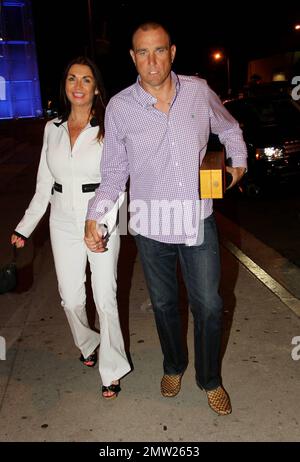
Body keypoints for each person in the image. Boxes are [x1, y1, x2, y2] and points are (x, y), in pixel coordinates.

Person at [84, 22, 247, 415]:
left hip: (197, 219)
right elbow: (114, 173)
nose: (151, 61)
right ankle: (173, 365)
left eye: (159, 51)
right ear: (132, 57)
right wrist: (95, 217)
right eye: (142, 52)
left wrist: (237, 165)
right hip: (151, 226)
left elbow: (229, 128)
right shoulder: (120, 107)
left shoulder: (197, 90)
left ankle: (209, 379)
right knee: (163, 305)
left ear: (172, 52)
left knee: (209, 305)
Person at [11, 56, 131, 400]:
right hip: (62, 219)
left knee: (105, 296)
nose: (78, 86)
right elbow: (43, 184)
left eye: (86, 80)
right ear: (65, 86)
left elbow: (116, 181)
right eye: (72, 79)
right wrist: (25, 227)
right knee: (70, 298)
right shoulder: (52, 129)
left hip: (103, 215)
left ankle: (112, 370)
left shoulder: (110, 128)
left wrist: (104, 227)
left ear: (97, 88)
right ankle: (88, 342)